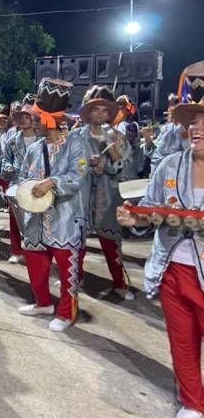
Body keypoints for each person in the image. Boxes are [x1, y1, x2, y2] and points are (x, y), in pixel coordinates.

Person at [116, 61, 204, 418]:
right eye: (193, 123)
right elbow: (147, 212)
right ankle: (193, 401)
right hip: (172, 266)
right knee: (182, 341)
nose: (197, 129)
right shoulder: (170, 164)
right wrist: (132, 219)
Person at [16, 78, 92, 332]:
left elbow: (78, 176)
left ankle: (66, 312)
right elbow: (23, 176)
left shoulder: (76, 143)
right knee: (35, 261)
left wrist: (52, 182)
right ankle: (43, 302)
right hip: (36, 218)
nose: (34, 123)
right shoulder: (35, 148)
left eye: (37, 118)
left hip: (65, 216)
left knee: (66, 267)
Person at [76, 86, 134, 300]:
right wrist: (86, 166)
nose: (99, 113)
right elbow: (68, 166)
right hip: (80, 195)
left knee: (111, 241)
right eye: (95, 108)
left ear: (110, 113)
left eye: (104, 110)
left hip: (107, 195)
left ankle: (119, 282)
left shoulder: (117, 137)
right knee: (77, 238)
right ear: (88, 111)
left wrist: (108, 161)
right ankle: (76, 276)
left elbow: (125, 168)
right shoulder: (77, 136)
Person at [0, 95, 39, 264]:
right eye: (21, 117)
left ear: (34, 119)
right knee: (14, 218)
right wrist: (7, 167)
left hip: (37, 184)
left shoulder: (42, 140)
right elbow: (5, 159)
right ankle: (16, 250)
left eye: (27, 116)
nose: (23, 119)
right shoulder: (12, 140)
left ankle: (36, 251)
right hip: (16, 181)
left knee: (37, 219)